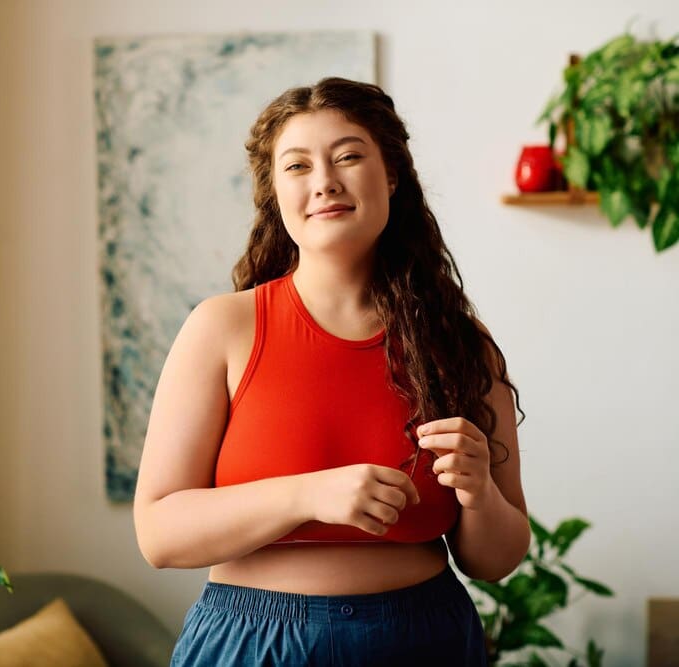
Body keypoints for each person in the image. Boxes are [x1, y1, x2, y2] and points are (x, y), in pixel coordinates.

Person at [133, 77, 529, 666]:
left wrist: (479, 492)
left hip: (426, 640)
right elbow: (159, 535)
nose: (324, 182)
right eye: (297, 167)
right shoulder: (221, 329)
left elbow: (496, 560)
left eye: (348, 156)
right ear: (275, 195)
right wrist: (310, 494)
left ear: (391, 175)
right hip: (254, 644)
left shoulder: (462, 345)